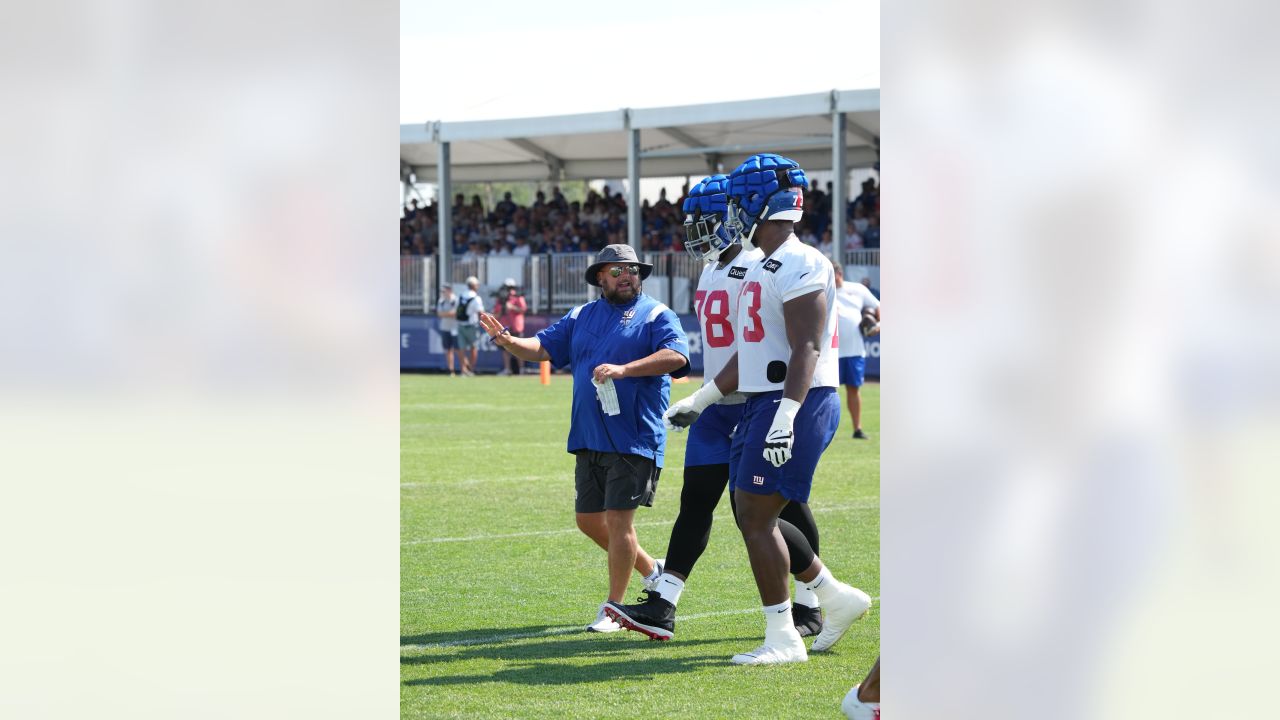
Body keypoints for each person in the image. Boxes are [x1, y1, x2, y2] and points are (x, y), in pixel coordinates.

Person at [604, 176, 851, 643]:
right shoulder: (714, 268)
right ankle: (664, 603)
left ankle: (811, 602)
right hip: (717, 404)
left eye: (709, 220)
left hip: (756, 399)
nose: (699, 231)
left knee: (778, 509)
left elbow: (780, 344)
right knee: (698, 501)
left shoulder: (770, 264)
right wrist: (701, 399)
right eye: (694, 222)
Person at [663, 153, 871, 665]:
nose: (732, 212)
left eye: (738, 201)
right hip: (765, 398)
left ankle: (785, 636)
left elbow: (806, 348)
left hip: (797, 400)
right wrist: (703, 397)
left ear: (759, 203)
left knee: (756, 513)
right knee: (752, 511)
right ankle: (834, 598)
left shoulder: (803, 260)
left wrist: (785, 416)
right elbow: (753, 353)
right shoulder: (764, 263)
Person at [478, 244, 691, 632]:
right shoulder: (581, 315)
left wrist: (625, 369)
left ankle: (614, 608)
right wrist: (509, 341)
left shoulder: (657, 313)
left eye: (631, 270)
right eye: (616, 270)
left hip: (634, 436)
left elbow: (677, 356)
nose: (626, 276)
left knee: (619, 521)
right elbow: (543, 348)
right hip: (589, 435)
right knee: (588, 521)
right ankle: (651, 568)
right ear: (600, 279)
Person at [834, 264, 881, 438]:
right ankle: (823, 428)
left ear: (840, 274)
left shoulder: (857, 289)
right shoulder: (822, 290)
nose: (832, 279)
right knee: (827, 392)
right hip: (831, 352)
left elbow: (878, 306)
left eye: (834, 275)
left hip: (854, 350)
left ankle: (857, 429)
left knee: (854, 389)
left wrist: (878, 325)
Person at [493, 278, 527, 376]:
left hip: (516, 326)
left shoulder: (518, 297)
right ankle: (507, 369)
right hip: (504, 326)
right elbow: (497, 313)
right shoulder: (501, 298)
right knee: (505, 349)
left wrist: (512, 307)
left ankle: (521, 369)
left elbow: (523, 309)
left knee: (519, 348)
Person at [456, 276, 484, 376]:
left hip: (460, 325)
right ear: (474, 285)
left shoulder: (461, 295)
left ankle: (463, 370)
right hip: (472, 326)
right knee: (473, 348)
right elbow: (480, 313)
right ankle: (471, 369)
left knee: (461, 349)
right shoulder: (476, 298)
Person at [436, 284, 461, 377]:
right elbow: (439, 314)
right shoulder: (441, 301)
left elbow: (455, 313)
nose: (443, 293)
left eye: (444, 291)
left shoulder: (456, 300)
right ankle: (451, 370)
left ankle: (465, 369)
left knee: (459, 350)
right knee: (448, 350)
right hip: (445, 328)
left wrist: (445, 314)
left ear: (450, 290)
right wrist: (449, 314)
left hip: (455, 328)